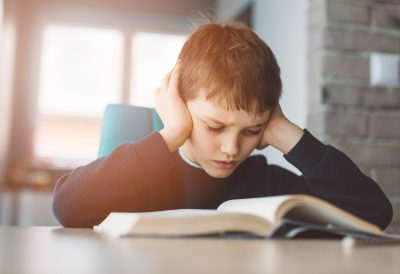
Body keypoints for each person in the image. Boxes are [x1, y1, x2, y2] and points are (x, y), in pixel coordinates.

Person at [52, 22, 393, 229]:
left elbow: (374, 213)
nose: (232, 149)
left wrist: (284, 133)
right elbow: (68, 206)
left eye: (251, 130)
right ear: (180, 106)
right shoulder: (141, 177)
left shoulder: (265, 183)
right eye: (214, 127)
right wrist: (171, 133)